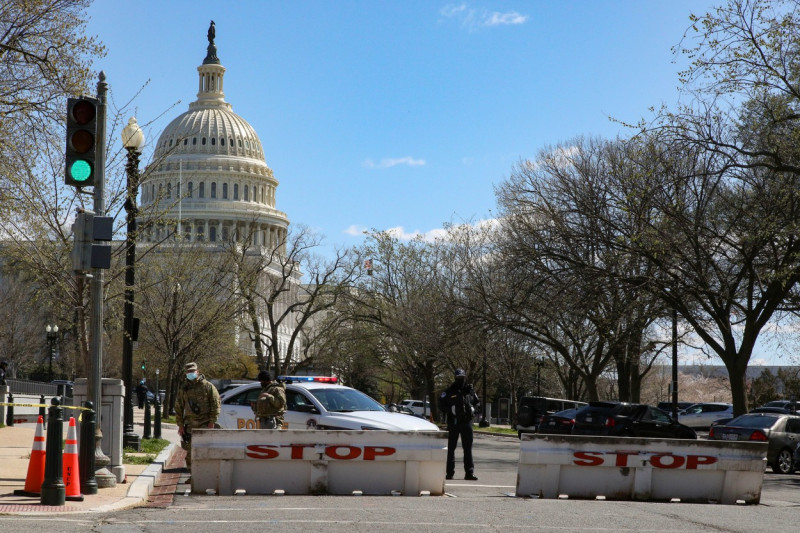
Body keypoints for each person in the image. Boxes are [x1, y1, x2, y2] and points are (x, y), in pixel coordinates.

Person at [175, 361, 220, 480]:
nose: (190, 374)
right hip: (190, 425)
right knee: (190, 453)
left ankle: (206, 476)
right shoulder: (184, 389)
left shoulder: (208, 387)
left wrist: (212, 422)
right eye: (188, 372)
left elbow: (216, 405)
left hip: (205, 424)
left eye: (192, 371)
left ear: (197, 372)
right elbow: (178, 406)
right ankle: (193, 476)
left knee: (205, 451)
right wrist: (180, 425)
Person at [438, 368, 480, 480]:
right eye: (458, 378)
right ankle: (449, 473)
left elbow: (477, 404)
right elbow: (441, 405)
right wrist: (450, 410)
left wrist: (473, 410)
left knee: (468, 449)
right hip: (454, 422)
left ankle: (469, 473)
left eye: (462, 378)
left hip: (466, 423)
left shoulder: (469, 391)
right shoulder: (448, 392)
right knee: (451, 449)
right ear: (455, 378)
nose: (460, 380)